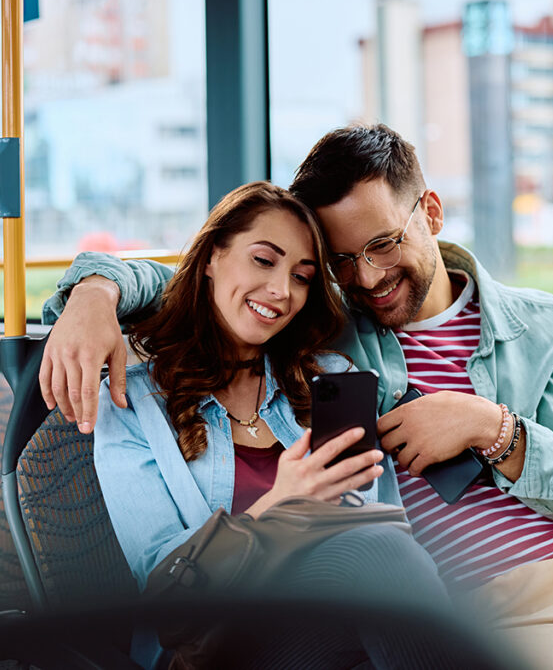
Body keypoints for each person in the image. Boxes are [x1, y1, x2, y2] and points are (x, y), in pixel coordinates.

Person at [43, 125, 553, 668]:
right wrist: (93, 290)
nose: (366, 278)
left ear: (428, 213)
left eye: (383, 244)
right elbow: (207, 283)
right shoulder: (327, 341)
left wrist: (489, 426)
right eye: (339, 263)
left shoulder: (545, 325)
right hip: (501, 604)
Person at [92, 181, 455, 669]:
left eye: (303, 277)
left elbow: (381, 518)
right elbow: (164, 584)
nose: (282, 292)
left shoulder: (329, 381)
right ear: (212, 257)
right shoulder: (131, 400)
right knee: (382, 558)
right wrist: (279, 507)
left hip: (335, 627)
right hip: (210, 644)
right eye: (264, 260)